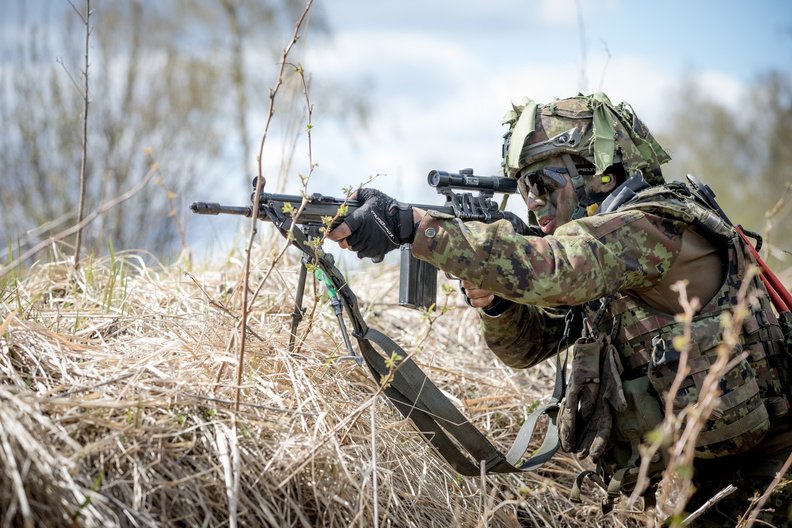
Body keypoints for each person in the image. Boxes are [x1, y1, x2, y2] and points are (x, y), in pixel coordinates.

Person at [328, 93, 792, 525]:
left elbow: (557, 267)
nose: (533, 203)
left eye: (541, 184)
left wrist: (418, 228)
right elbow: (526, 348)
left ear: (598, 174)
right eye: (522, 189)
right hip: (701, 489)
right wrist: (497, 303)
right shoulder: (605, 265)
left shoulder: (652, 225)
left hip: (771, 480)